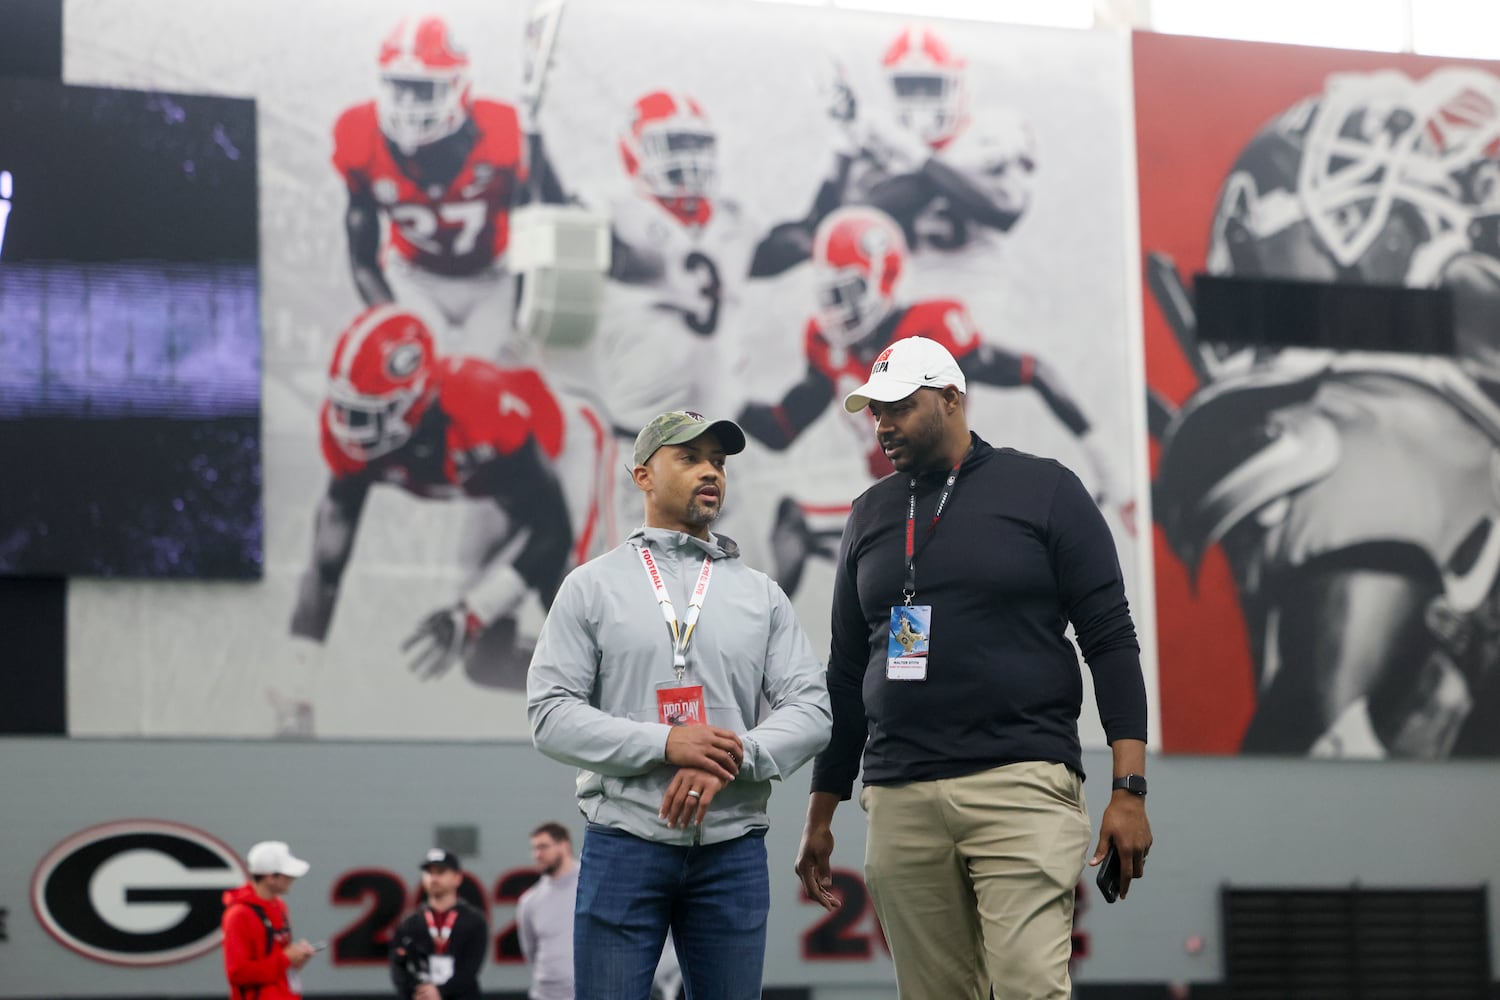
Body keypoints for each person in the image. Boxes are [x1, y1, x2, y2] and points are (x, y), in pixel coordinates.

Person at [793, 336, 1154, 1000]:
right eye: (874, 411)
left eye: (899, 406)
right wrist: (822, 812)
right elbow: (845, 673)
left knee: (1027, 988)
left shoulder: (1045, 489)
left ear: (953, 397)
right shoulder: (869, 512)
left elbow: (1111, 639)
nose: (882, 425)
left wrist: (1129, 788)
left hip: (1018, 781)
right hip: (899, 793)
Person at [527, 410, 832, 1000]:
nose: (710, 471)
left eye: (718, 461)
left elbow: (813, 710)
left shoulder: (759, 594)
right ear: (642, 476)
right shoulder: (592, 586)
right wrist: (666, 742)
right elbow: (549, 715)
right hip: (625, 842)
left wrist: (730, 754)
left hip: (732, 850)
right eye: (689, 458)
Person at [289, 304, 615, 690]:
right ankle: (594, 687)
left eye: (369, 414)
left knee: (570, 597)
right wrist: (295, 689)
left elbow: (553, 533)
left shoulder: (476, 405)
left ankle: (647, 690)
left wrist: (471, 614)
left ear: (418, 399)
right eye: (348, 411)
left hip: (564, 452)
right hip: (499, 484)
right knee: (485, 661)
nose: (350, 431)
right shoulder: (357, 444)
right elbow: (326, 568)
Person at [221, 841, 317, 1000]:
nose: (293, 878)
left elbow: (277, 962)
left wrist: (298, 958)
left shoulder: (279, 906)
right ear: (271, 877)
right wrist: (286, 958)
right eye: (288, 874)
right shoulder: (239, 915)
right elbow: (237, 974)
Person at [390, 849, 489, 1000]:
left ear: (457, 878)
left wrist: (441, 991)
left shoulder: (473, 921)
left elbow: (470, 968)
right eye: (429, 873)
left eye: (440, 872)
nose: (433, 878)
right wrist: (417, 991)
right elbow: (398, 966)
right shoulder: (410, 924)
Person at [516, 822, 577, 1000]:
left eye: (543, 847)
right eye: (534, 848)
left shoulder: (591, 885)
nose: (537, 854)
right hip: (545, 994)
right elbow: (530, 951)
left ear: (564, 846)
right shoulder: (529, 901)